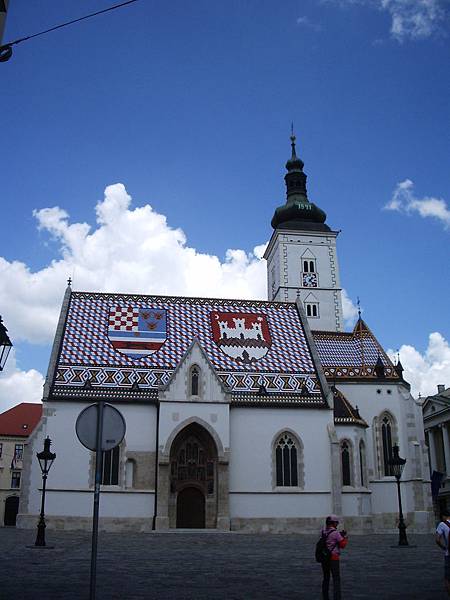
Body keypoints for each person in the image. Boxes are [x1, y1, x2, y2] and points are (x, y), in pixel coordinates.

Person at [320, 515, 348, 600]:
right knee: (336, 579)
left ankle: (325, 596)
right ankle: (337, 597)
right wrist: (344, 537)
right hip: (333, 558)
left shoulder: (323, 531)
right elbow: (342, 545)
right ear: (334, 523)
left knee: (326, 578)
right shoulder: (336, 533)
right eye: (337, 523)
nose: (337, 524)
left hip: (324, 558)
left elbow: (329, 539)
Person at [436, 509, 450, 597]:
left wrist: (443, 547)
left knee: (448, 578)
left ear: (443, 516)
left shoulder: (442, 524)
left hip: (449, 554)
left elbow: (437, 540)